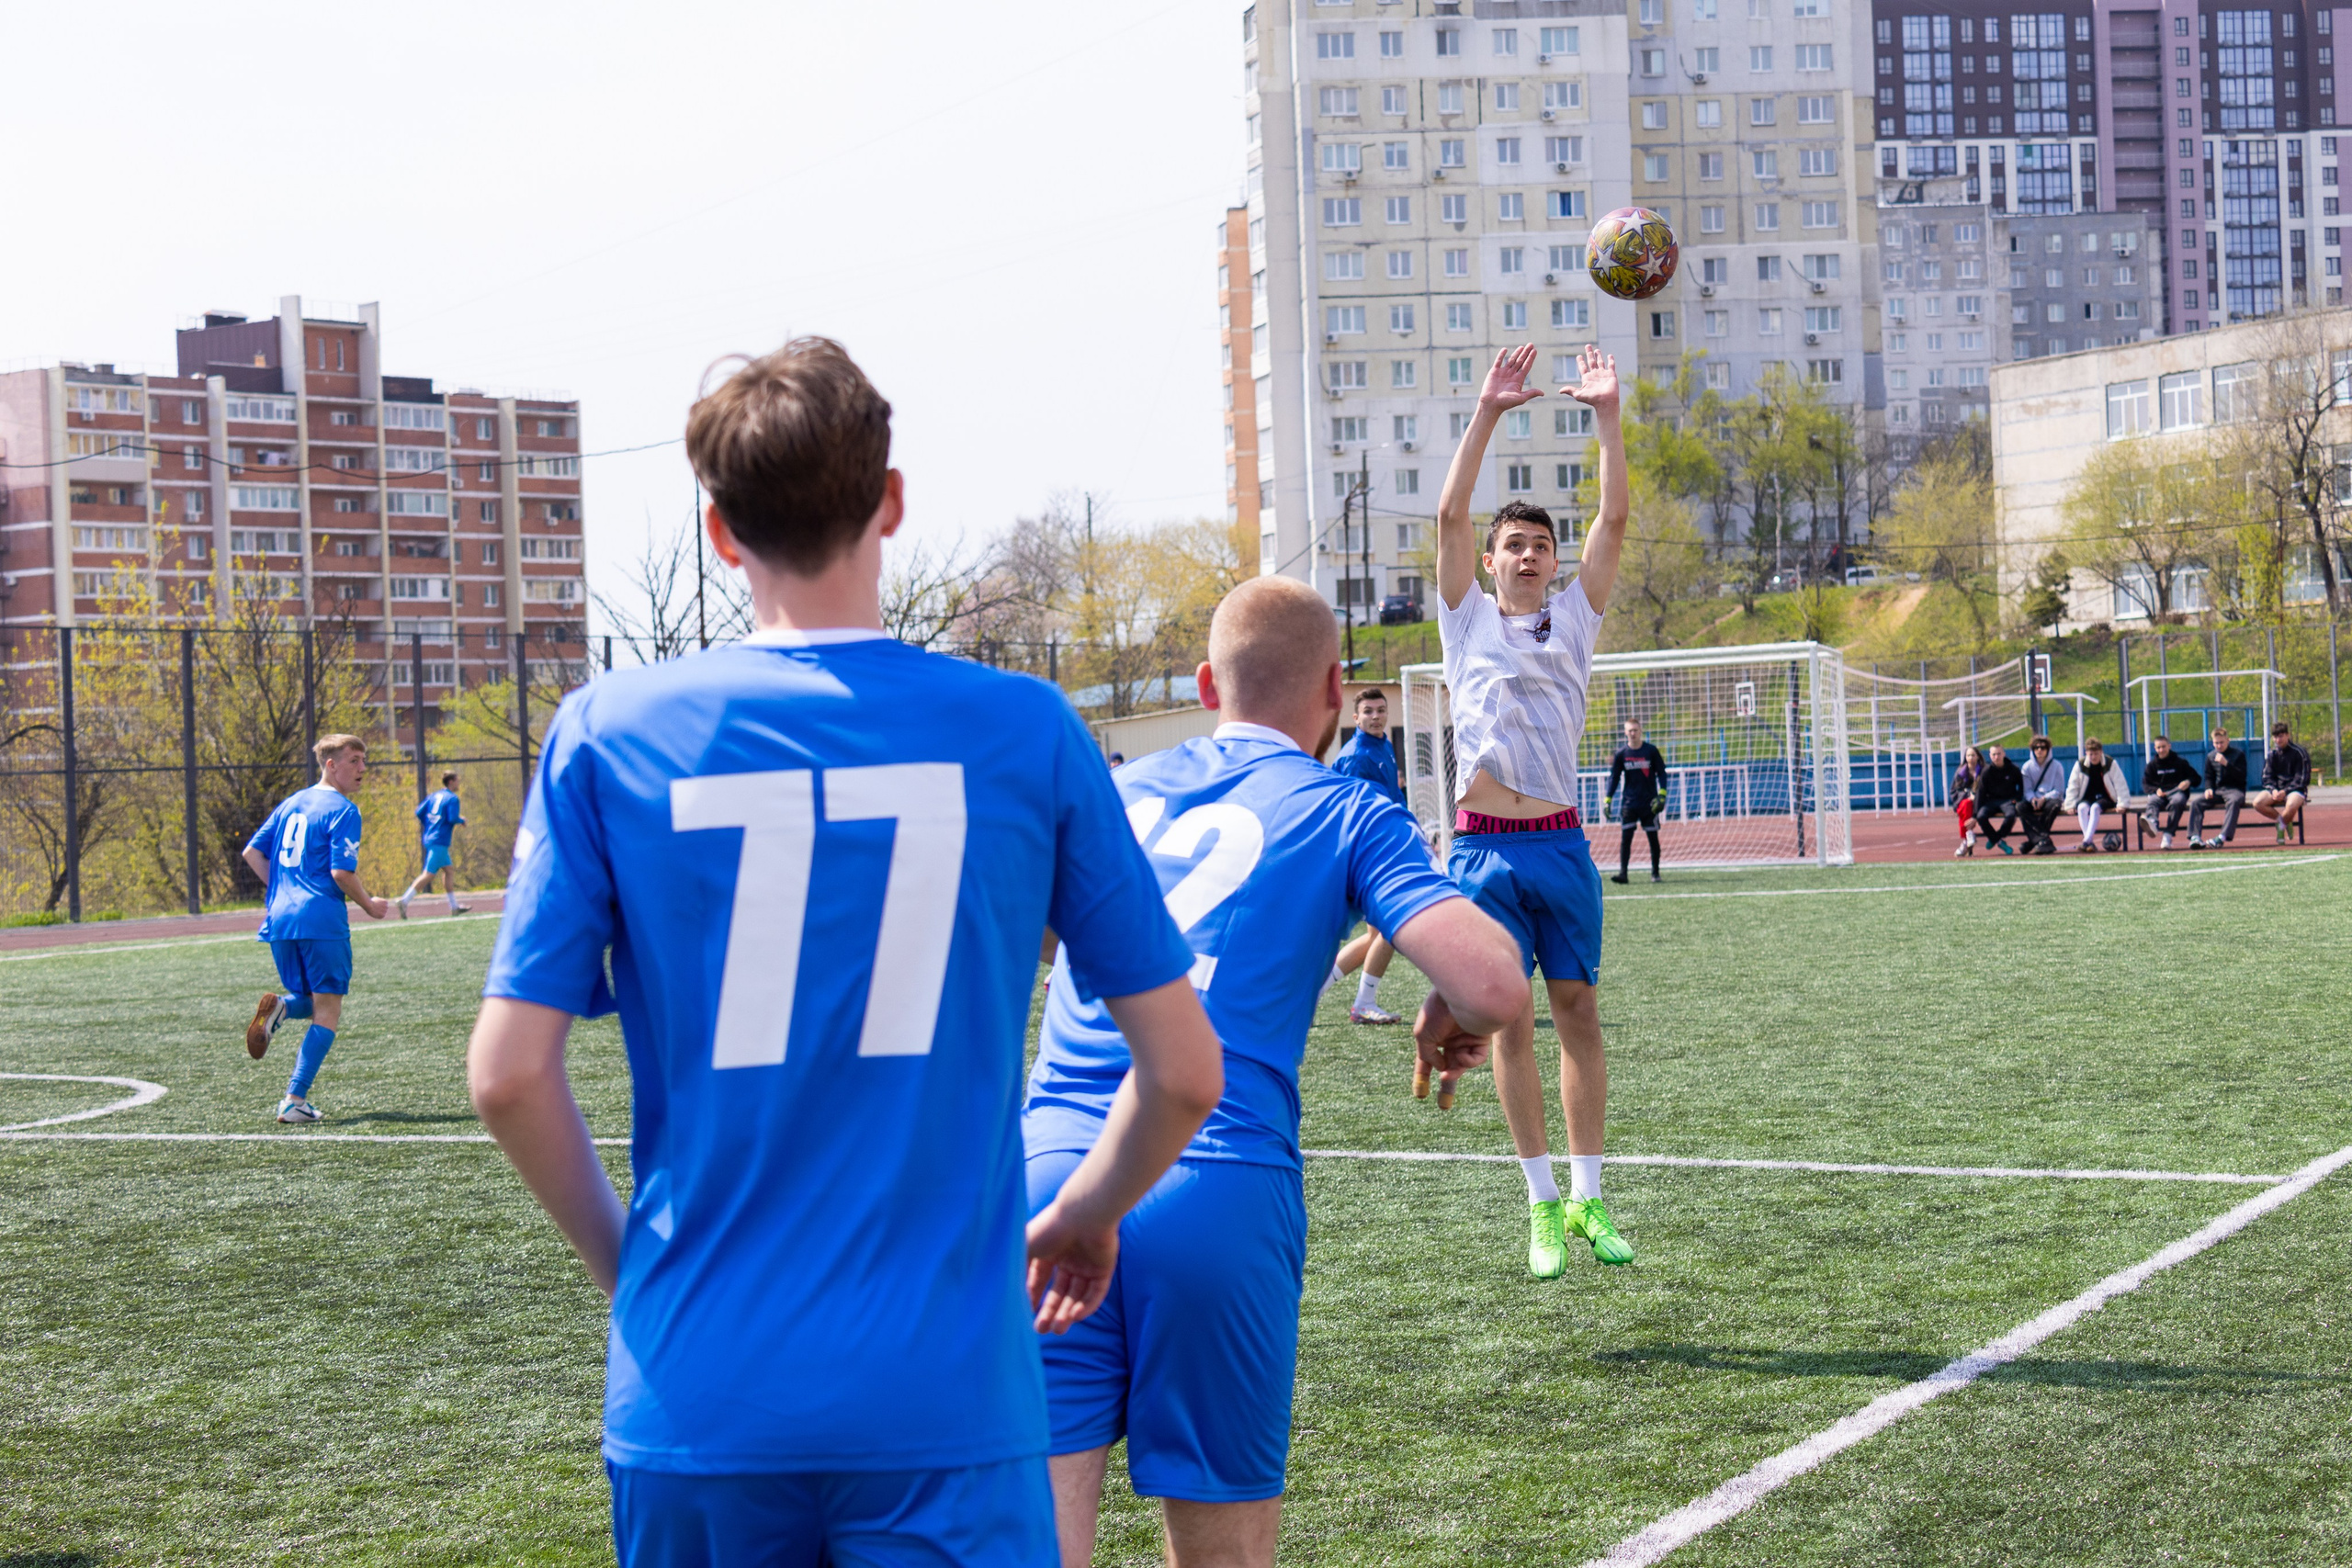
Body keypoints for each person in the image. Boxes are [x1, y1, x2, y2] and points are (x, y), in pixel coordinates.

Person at [466, 339, 1225, 1568]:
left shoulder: (605, 734)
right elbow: (1185, 1072)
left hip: (700, 1382)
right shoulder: (1024, 728)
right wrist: (1084, 1212)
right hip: (944, 1396)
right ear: (891, 499)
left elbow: (506, 1074)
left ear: (720, 531)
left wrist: (640, 1268)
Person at [1025, 578, 1523, 1568]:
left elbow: (1039, 938)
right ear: (1336, 691)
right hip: (1216, 1184)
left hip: (1047, 1180)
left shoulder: (1117, 788)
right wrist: (1449, 1016)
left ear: (1208, 682)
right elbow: (1496, 985)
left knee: (1029, 1539)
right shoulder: (1345, 808)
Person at [1427, 342, 1637, 1277]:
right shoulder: (1464, 618)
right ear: (1488, 560)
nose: (1526, 554)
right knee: (1509, 1021)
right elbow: (1445, 511)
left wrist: (1605, 416)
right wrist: (1488, 410)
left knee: (1578, 1011)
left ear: (1553, 565)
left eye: (1540, 546)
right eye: (1512, 544)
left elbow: (1617, 517)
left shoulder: (1577, 617)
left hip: (1557, 844)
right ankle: (1541, 1206)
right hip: (1481, 851)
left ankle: (1591, 1200)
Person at [240, 734, 391, 1123]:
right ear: (331, 765)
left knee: (314, 999)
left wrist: (282, 890)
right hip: (320, 918)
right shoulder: (344, 809)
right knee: (329, 1009)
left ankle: (283, 1007)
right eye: (354, 760)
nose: (362, 768)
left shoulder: (291, 803)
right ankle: (294, 1099)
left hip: (280, 919)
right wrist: (370, 905)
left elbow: (252, 852)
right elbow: (341, 872)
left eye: (363, 760)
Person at [1328, 688, 1411, 1024]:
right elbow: (1354, 815)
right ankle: (1364, 1003)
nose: (1376, 716)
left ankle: (1311, 994)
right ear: (1355, 718)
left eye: (1381, 710)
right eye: (1368, 712)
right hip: (1369, 854)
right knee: (1391, 929)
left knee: (1376, 936)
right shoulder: (1357, 757)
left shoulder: (1383, 745)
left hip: (1383, 849)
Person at [398, 770, 470, 918]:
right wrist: (462, 820)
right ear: (451, 782)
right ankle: (404, 900)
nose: (459, 783)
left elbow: (419, 812)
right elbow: (451, 818)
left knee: (449, 870)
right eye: (457, 780)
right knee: (428, 874)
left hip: (430, 837)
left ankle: (454, 906)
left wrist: (431, 823)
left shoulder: (434, 795)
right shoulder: (452, 798)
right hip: (440, 840)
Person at [1606, 717, 1668, 883]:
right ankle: (1623, 874)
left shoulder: (1651, 751)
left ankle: (1655, 873)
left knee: (1653, 838)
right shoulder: (1621, 754)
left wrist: (1662, 794)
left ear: (1640, 731)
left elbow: (1662, 773)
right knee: (1626, 838)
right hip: (1629, 803)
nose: (1633, 733)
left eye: (1635, 730)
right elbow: (1614, 778)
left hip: (1649, 803)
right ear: (1625, 733)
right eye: (1629, 730)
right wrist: (1608, 799)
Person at [2250, 720, 2312, 843]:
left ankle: (2281, 827)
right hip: (2277, 790)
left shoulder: (2299, 752)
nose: (2278, 739)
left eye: (2281, 736)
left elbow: (2303, 778)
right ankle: (2283, 822)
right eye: (2276, 737)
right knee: (2257, 803)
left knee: (2291, 805)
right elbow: (2267, 777)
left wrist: (2286, 791)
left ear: (2287, 736)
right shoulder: (2272, 754)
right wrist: (2273, 790)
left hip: (2295, 790)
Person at [2188, 726, 2247, 850]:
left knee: (2234, 801)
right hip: (2218, 791)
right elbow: (2209, 776)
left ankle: (2222, 837)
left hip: (2235, 790)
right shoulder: (2211, 756)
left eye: (2221, 743)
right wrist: (2208, 788)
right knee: (2196, 803)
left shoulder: (2238, 755)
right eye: (2216, 743)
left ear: (2228, 740)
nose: (2219, 746)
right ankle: (2195, 837)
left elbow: (2242, 776)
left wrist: (2226, 764)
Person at [2064, 736, 2125, 852]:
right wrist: (2070, 805)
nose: (2093, 757)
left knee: (2095, 808)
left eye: (2096, 754)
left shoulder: (2110, 763)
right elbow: (2073, 785)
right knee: (2081, 808)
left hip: (2106, 797)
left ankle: (2086, 841)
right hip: (2087, 797)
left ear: (2101, 752)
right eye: (2090, 754)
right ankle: (2089, 842)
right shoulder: (2080, 765)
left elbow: (2120, 783)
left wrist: (2123, 803)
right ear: (2086, 753)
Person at [2140, 735, 2199, 849]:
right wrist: (2155, 790)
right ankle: (2152, 823)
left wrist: (2188, 781)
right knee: (2153, 800)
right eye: (2159, 747)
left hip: (2177, 793)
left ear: (2169, 746)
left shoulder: (2180, 762)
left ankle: (2168, 835)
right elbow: (2146, 785)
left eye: (2163, 747)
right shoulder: (2151, 766)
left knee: (2178, 801)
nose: (2161, 750)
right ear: (2155, 749)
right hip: (2160, 795)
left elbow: (2196, 778)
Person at [1972, 744, 2025, 855]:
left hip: (2008, 800)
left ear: (2004, 754)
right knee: (1981, 816)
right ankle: (1999, 841)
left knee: (2011, 816)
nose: (1997, 757)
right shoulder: (1986, 771)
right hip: (1990, 801)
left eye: (1999, 754)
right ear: (1990, 756)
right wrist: (1974, 815)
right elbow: (1980, 793)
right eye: (1994, 754)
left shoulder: (2013, 769)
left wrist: (2017, 798)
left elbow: (2021, 786)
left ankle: (1995, 838)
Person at [2018, 735, 2065, 855]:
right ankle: (2043, 840)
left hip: (2050, 798)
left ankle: (2032, 842)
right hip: (2033, 798)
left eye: (2043, 747)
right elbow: (2027, 789)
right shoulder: (2027, 767)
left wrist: (2044, 798)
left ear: (2048, 749)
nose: (2039, 750)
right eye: (2036, 747)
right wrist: (2033, 799)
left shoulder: (2056, 766)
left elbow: (2059, 790)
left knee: (2055, 806)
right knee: (2020, 807)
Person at [1950, 744, 1984, 856]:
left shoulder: (1984, 770)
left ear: (1978, 756)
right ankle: (1968, 834)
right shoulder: (1961, 772)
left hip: (1982, 801)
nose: (1971, 758)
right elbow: (1955, 791)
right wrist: (1968, 795)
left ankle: (1965, 840)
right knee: (1966, 804)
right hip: (1966, 801)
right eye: (1968, 755)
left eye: (1973, 755)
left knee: (1964, 808)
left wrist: (1976, 795)